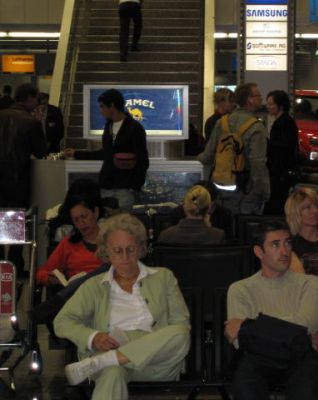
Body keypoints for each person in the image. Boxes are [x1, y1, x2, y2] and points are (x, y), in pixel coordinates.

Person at [54, 213, 190, 400]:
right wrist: (93, 337)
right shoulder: (93, 286)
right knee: (112, 372)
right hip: (110, 357)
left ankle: (104, 360)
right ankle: (108, 361)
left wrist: (137, 342)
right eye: (118, 251)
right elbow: (61, 322)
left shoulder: (163, 277)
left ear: (141, 248)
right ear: (106, 252)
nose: (125, 257)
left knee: (181, 332)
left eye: (131, 249)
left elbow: (180, 323)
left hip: (155, 363)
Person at [225, 220, 318, 400]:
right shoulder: (240, 289)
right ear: (259, 252)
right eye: (275, 244)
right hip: (259, 358)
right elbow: (239, 341)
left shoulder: (310, 283)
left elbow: (307, 324)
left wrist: (249, 325)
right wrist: (295, 335)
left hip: (300, 357)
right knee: (245, 379)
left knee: (307, 381)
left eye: (287, 243)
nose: (284, 251)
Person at [64, 88, 149, 210]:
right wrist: (76, 154)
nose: (100, 110)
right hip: (107, 185)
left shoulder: (135, 128)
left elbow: (143, 159)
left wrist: (134, 186)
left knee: (122, 223)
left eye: (102, 106)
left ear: (112, 106)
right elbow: (106, 153)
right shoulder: (108, 126)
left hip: (125, 188)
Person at [198, 82, 269, 215]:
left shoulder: (222, 122)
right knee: (244, 228)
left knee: (224, 224)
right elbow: (257, 163)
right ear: (250, 100)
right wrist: (262, 191)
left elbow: (207, 155)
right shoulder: (256, 127)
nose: (261, 98)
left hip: (220, 186)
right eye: (258, 95)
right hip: (244, 190)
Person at [0, 83, 47, 275]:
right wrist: (40, 123)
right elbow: (41, 151)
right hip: (17, 179)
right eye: (35, 99)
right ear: (28, 98)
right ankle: (13, 263)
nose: (36, 103)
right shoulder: (30, 122)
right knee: (14, 219)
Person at [36, 192, 104, 286]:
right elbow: (42, 273)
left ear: (96, 212)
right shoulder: (68, 244)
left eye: (84, 216)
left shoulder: (112, 239)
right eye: (76, 220)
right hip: (77, 293)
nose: (81, 223)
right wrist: (50, 279)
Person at [263, 90, 299, 215]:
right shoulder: (282, 121)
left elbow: (286, 146)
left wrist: (267, 143)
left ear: (281, 106)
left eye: (271, 104)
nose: (268, 106)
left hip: (280, 171)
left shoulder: (285, 122)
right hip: (279, 170)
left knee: (277, 203)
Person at [158, 185, 225, 245]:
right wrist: (208, 228)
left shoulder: (165, 235)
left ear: (184, 207)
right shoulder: (218, 236)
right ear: (208, 209)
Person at [168, 180, 234, 240]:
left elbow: (227, 245)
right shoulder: (177, 213)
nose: (200, 210)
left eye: (206, 204)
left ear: (214, 202)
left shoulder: (225, 215)